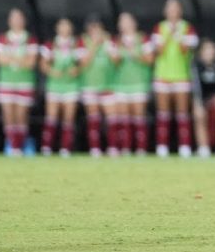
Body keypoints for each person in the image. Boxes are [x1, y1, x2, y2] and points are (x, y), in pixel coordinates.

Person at [151, 0, 199, 158]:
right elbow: (159, 51)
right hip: (163, 75)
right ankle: (162, 147)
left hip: (181, 76)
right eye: (170, 8)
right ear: (166, 11)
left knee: (182, 113)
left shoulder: (187, 28)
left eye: (175, 8)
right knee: (163, 113)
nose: (173, 11)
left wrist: (178, 35)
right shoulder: (160, 28)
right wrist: (169, 34)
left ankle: (184, 146)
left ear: (180, 11)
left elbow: (186, 49)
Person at [0, 8, 38, 156]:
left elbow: (31, 62)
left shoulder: (30, 39)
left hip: (24, 82)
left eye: (19, 18)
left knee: (21, 116)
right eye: (14, 18)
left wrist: (11, 59)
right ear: (9, 21)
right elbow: (0, 60)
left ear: (23, 20)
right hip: (6, 82)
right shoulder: (2, 38)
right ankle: (12, 146)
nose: (17, 21)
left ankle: (20, 146)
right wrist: (20, 60)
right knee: (8, 116)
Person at [40, 18, 83, 157]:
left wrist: (76, 70)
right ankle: (47, 147)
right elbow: (43, 64)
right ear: (57, 29)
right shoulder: (51, 44)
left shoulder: (76, 44)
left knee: (68, 118)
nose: (65, 29)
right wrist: (52, 71)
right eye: (62, 26)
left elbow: (82, 63)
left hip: (71, 85)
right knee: (51, 117)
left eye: (67, 26)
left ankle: (65, 148)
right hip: (55, 85)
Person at [112, 12, 153, 155]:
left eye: (127, 21)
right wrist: (118, 54)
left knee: (139, 117)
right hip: (121, 84)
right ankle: (126, 148)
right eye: (121, 22)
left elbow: (149, 60)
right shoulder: (116, 41)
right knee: (124, 118)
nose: (124, 24)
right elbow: (114, 62)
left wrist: (134, 53)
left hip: (139, 83)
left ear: (134, 23)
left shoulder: (143, 39)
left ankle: (141, 148)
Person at [79, 15, 115, 156]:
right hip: (90, 85)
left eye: (97, 27)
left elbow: (117, 61)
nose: (95, 30)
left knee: (112, 119)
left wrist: (106, 44)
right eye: (92, 28)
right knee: (93, 118)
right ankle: (95, 149)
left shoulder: (109, 41)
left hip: (108, 85)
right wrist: (94, 45)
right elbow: (83, 63)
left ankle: (113, 148)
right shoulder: (83, 42)